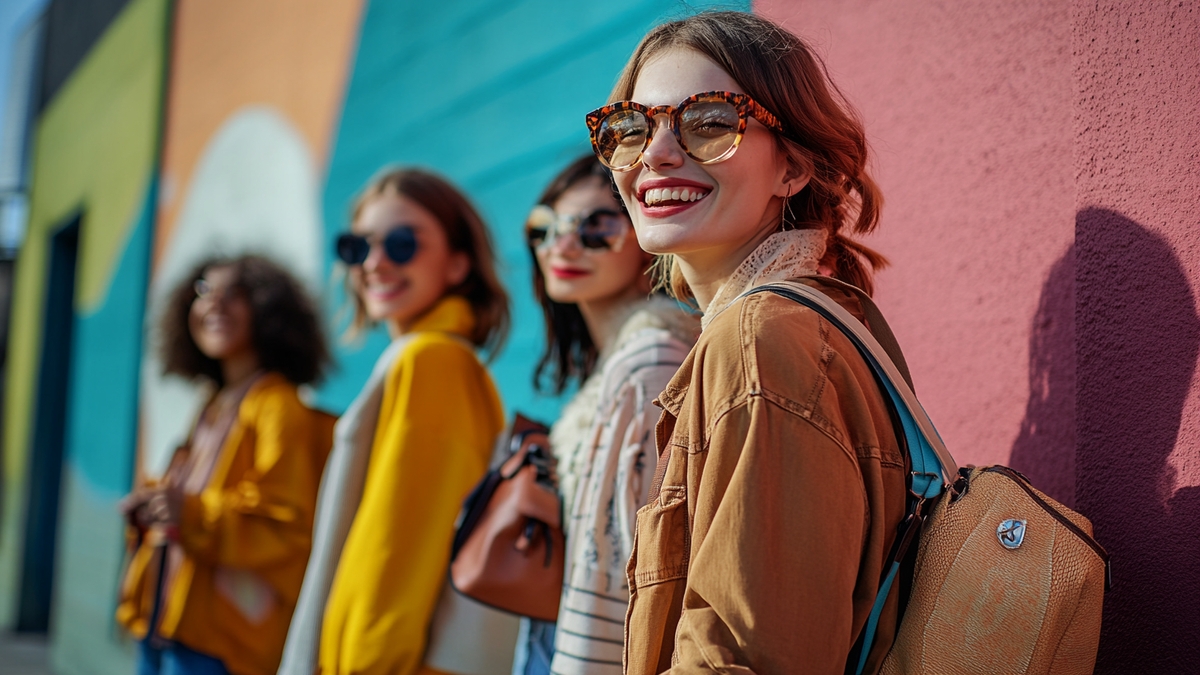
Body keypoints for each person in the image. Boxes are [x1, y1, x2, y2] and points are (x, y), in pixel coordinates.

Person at [585, 11, 907, 674]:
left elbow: (744, 657)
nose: (656, 153)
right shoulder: (814, 322)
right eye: (630, 127)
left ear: (792, 166)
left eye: (708, 122)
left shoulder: (758, 340)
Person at [278, 168, 514, 675]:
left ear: (457, 265)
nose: (375, 263)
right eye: (357, 247)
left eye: (403, 243)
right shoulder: (436, 360)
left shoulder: (430, 362)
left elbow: (392, 561)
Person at [511, 156, 698, 675]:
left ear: (646, 233)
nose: (562, 246)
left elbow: (633, 565)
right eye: (544, 228)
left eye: (596, 228)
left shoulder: (650, 363)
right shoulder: (618, 364)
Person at [117, 255, 334, 675]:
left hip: (222, 645)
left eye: (235, 294)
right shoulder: (215, 402)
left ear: (270, 314)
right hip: (166, 624)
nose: (215, 304)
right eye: (204, 291)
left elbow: (284, 525)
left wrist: (190, 511)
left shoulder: (278, 406)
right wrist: (154, 506)